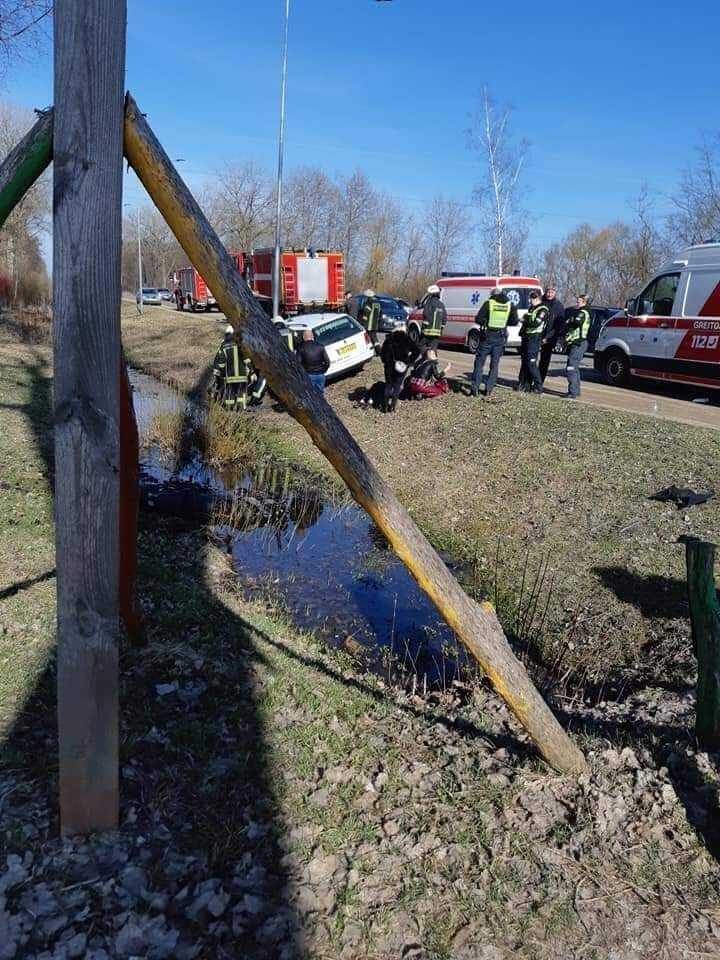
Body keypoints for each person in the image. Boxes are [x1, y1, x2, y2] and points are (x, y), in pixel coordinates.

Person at [470, 288, 518, 398]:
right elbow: (514, 321)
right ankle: (489, 389)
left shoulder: (489, 303)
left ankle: (475, 389)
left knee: (479, 363)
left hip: (487, 336)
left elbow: (478, 319)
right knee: (494, 364)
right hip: (500, 337)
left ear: (492, 294)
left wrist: (486, 321)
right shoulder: (509, 305)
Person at [380, 328, 420, 412]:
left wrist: (385, 362)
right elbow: (417, 351)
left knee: (388, 385)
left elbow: (382, 353)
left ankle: (385, 406)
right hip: (402, 366)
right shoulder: (406, 339)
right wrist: (409, 361)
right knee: (397, 385)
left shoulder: (389, 339)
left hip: (389, 366)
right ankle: (393, 406)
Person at [517, 290, 548, 394]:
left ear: (537, 298)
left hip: (534, 339)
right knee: (524, 363)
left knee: (531, 363)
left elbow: (535, 323)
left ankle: (538, 387)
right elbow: (528, 319)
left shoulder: (543, 310)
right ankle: (524, 385)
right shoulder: (532, 308)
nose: (530, 300)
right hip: (527, 337)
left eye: (532, 298)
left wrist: (525, 320)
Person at [212, 325, 249, 410]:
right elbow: (246, 358)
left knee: (230, 396)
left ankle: (229, 410)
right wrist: (250, 370)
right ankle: (241, 410)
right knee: (241, 395)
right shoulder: (241, 344)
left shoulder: (224, 346)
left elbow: (220, 362)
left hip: (230, 376)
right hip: (242, 376)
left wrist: (221, 373)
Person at [564, 294, 592, 399]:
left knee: (571, 367)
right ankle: (575, 391)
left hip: (579, 343)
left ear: (584, 302)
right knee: (574, 367)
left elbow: (576, 323)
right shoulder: (584, 312)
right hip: (576, 342)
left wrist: (570, 320)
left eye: (579, 301)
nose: (577, 303)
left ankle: (573, 392)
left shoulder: (582, 313)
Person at [538, 284, 565, 384]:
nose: (549, 294)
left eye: (552, 292)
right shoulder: (540, 302)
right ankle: (526, 382)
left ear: (555, 293)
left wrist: (548, 338)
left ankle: (539, 383)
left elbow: (559, 326)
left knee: (544, 362)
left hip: (549, 338)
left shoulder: (558, 306)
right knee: (530, 360)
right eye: (548, 292)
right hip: (536, 335)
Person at [420, 284, 447, 350]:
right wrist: (441, 327)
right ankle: (433, 359)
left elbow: (425, 314)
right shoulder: (441, 304)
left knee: (420, 346)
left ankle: (425, 359)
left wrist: (424, 327)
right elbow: (444, 318)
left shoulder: (429, 303)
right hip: (437, 333)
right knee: (433, 349)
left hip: (427, 332)